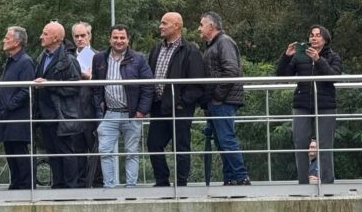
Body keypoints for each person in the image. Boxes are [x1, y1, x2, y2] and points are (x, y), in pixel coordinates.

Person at [276, 25, 343, 184]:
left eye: (318, 35)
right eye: (311, 35)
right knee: (300, 143)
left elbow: (334, 77)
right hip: (302, 104)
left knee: (325, 146)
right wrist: (286, 57)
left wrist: (318, 60)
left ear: (325, 39)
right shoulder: (299, 57)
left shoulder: (333, 57)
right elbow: (282, 76)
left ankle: (327, 183)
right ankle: (303, 183)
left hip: (326, 105)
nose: (313, 38)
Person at [147, 13, 205, 187]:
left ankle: (181, 183)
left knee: (181, 146)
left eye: (164, 23)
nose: (160, 26)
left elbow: (197, 83)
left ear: (177, 26)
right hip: (158, 106)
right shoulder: (157, 48)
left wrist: (181, 103)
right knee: (153, 144)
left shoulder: (190, 50)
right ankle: (162, 181)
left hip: (180, 108)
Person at [91, 24, 153, 188]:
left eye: (122, 38)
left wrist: (142, 110)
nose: (119, 41)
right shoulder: (99, 58)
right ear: (109, 39)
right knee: (105, 151)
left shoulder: (138, 59)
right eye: (115, 38)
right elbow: (96, 85)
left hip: (132, 114)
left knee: (131, 152)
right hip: (110, 113)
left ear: (128, 39)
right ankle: (109, 187)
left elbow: (148, 86)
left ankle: (131, 187)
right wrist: (100, 103)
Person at [198, 12, 252, 186]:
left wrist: (217, 96)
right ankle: (230, 177)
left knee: (226, 139)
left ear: (211, 26)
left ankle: (240, 176)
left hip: (223, 100)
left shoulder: (224, 42)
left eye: (201, 24)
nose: (199, 28)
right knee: (222, 140)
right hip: (218, 100)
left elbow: (230, 70)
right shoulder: (214, 44)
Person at [33, 21, 83, 189]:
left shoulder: (69, 60)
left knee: (66, 151)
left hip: (62, 113)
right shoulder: (42, 57)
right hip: (45, 113)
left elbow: (75, 87)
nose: (41, 36)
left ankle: (70, 187)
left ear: (55, 38)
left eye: (45, 34)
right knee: (53, 152)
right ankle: (58, 185)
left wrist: (50, 84)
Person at [0, 26, 35, 189]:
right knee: (10, 149)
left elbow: (26, 89)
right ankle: (16, 182)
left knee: (19, 149)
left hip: (18, 115)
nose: (4, 40)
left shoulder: (25, 61)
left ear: (17, 42)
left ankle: (26, 184)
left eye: (8, 37)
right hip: (7, 114)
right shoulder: (10, 62)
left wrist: (11, 104)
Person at [72, 21, 100, 187]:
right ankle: (80, 184)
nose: (80, 39)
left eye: (83, 35)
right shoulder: (69, 58)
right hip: (73, 112)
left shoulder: (98, 57)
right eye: (77, 36)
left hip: (92, 110)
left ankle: (97, 183)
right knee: (77, 151)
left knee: (96, 150)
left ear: (90, 36)